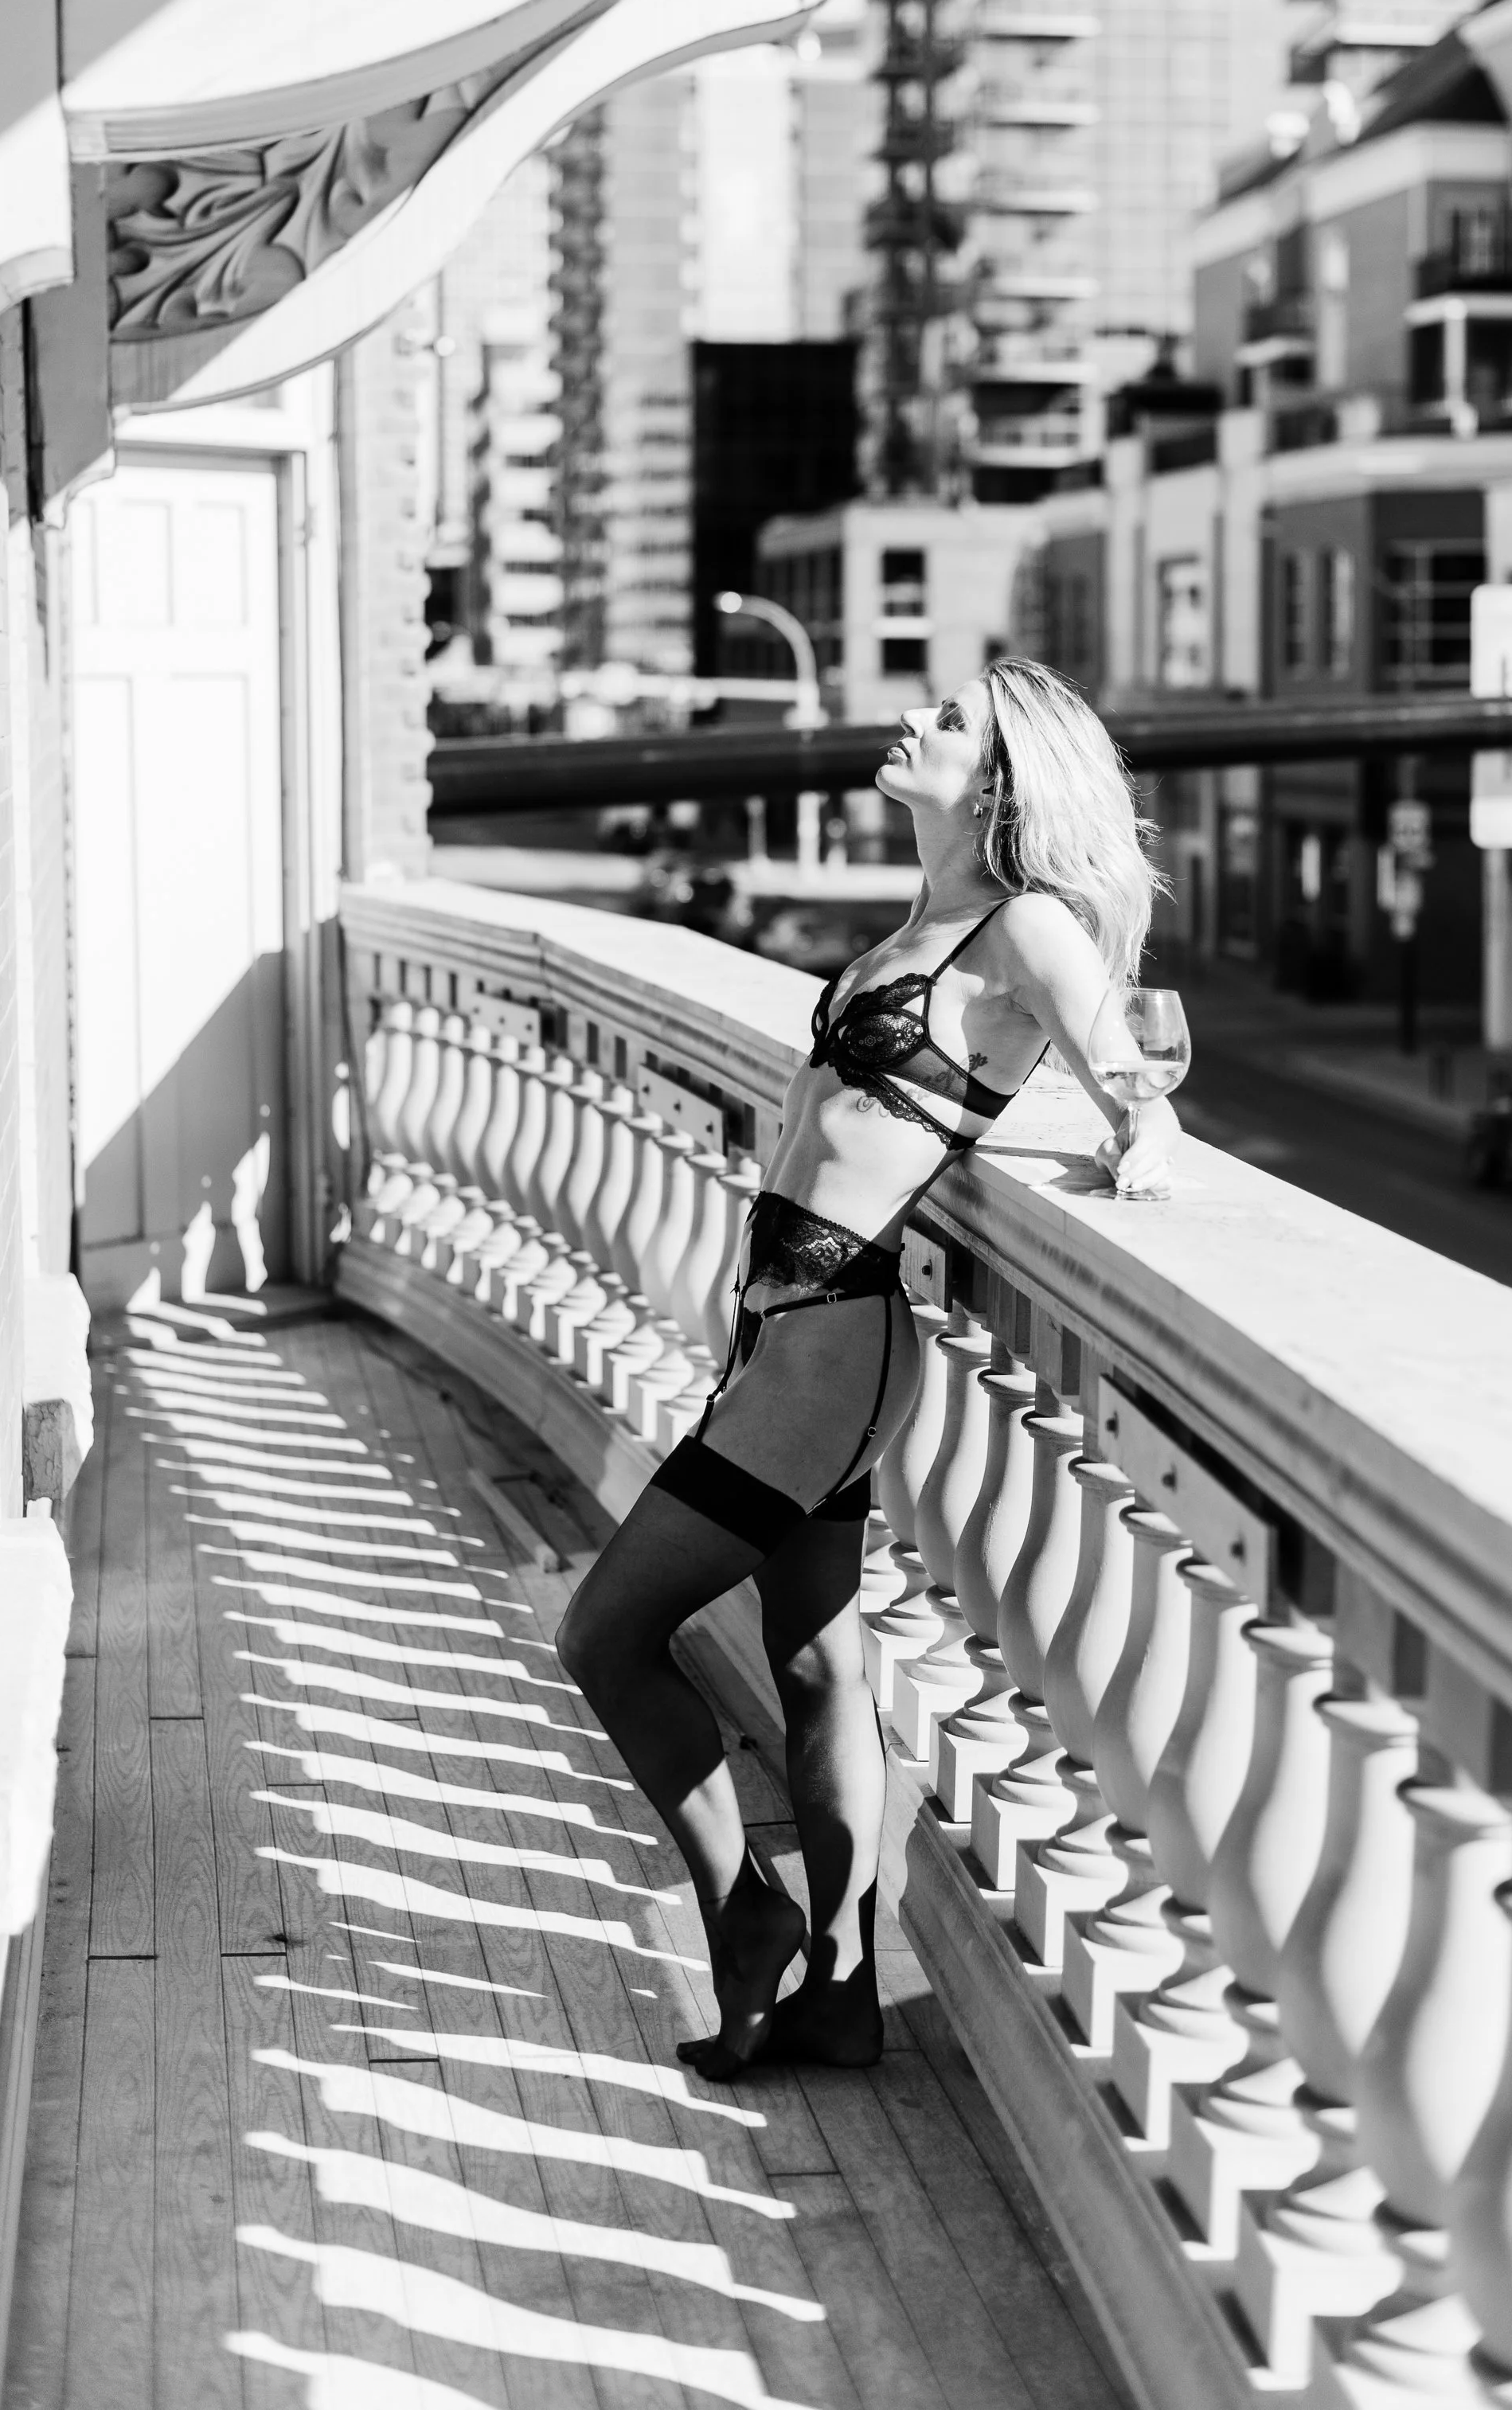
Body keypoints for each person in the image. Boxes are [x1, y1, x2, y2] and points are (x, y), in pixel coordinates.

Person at [555, 658, 1178, 2075]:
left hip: (838, 1338)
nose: (915, 721)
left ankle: (743, 1913)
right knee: (818, 1663)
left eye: (949, 719)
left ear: (1006, 776)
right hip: (795, 1328)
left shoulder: (1021, 926)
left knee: (602, 1635)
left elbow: (1126, 1073)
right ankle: (840, 1993)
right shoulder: (924, 923)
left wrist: (1141, 1135)